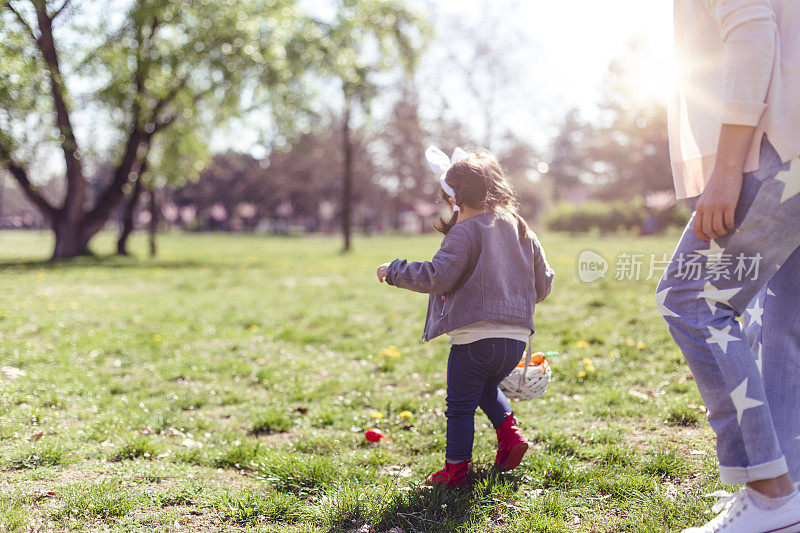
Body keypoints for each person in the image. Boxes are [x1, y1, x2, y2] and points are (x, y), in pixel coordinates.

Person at [657, 1, 800, 531]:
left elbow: (752, 36)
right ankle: (789, 496)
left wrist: (727, 167)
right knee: (785, 323)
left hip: (781, 150)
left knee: (691, 299)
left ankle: (767, 489)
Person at [376, 147, 554, 488]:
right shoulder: (523, 231)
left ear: (456, 199)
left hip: (474, 340)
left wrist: (395, 270)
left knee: (459, 405)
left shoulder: (464, 232)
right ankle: (511, 436)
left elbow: (437, 276)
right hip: (516, 341)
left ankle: (455, 471)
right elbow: (543, 284)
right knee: (487, 386)